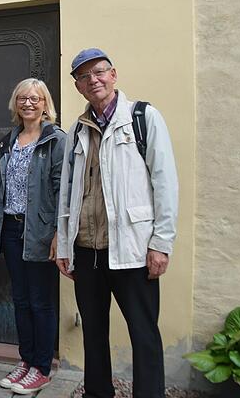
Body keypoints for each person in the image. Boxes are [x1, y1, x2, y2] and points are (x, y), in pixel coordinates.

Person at [56, 48, 178, 398]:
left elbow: (165, 183)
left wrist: (161, 244)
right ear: (78, 86)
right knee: (94, 333)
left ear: (113, 75)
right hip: (88, 251)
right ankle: (97, 393)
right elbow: (67, 192)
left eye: (99, 72)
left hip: (133, 251)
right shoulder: (77, 129)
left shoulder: (143, 117)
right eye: (84, 76)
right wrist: (65, 245)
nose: (93, 79)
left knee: (143, 334)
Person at [0, 79, 65, 394]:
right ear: (15, 104)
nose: (28, 103)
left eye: (35, 98)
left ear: (45, 103)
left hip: (41, 231)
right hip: (11, 228)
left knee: (40, 302)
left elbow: (63, 189)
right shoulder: (11, 140)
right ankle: (26, 360)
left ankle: (42, 367)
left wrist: (60, 233)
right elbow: (2, 191)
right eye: (22, 98)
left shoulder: (55, 139)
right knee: (20, 300)